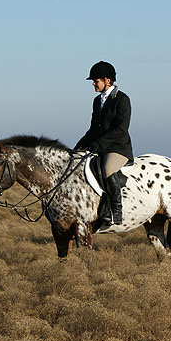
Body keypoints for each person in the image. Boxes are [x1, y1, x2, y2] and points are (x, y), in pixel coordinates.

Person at [74, 61, 133, 225]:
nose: (93, 84)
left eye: (96, 81)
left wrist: (98, 144)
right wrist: (78, 147)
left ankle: (116, 211)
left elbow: (121, 129)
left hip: (118, 148)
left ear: (107, 80)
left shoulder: (122, 99)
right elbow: (93, 129)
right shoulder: (97, 101)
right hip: (101, 147)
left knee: (107, 169)